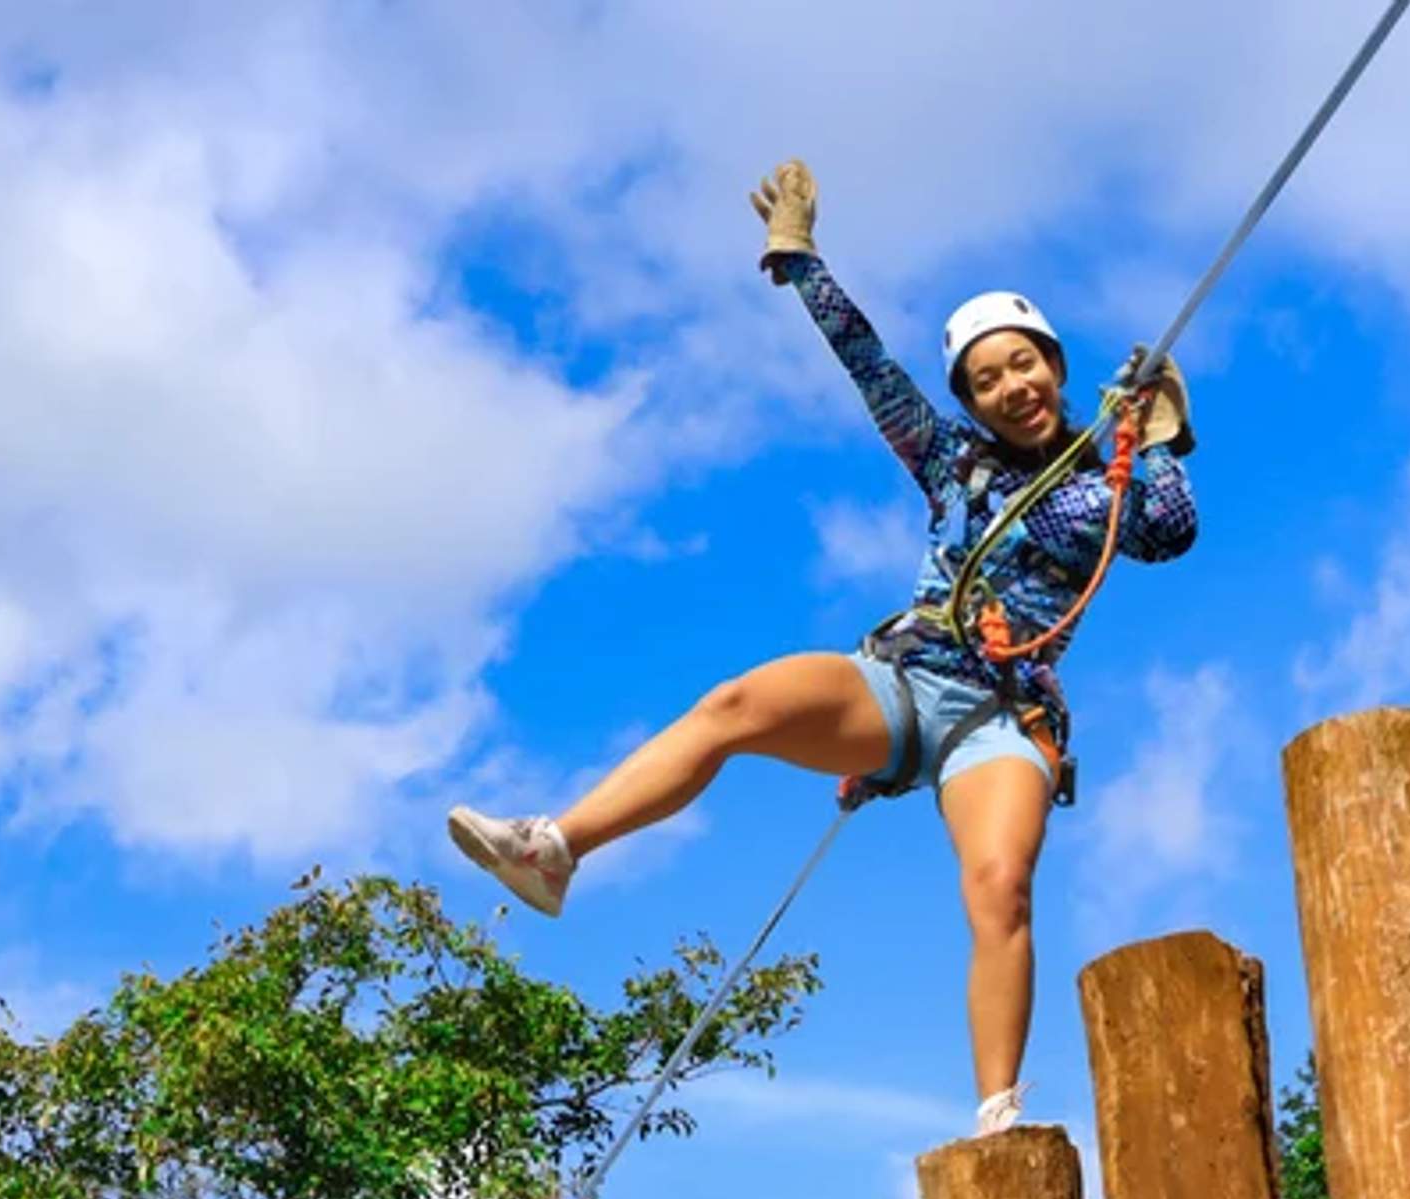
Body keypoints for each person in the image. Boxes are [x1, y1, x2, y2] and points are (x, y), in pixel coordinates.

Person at [448, 157, 1197, 1134]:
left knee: (1000, 883)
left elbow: (1168, 533)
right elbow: (870, 365)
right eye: (987, 379)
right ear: (969, 403)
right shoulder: (950, 464)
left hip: (1002, 716)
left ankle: (998, 1112)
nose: (1012, 386)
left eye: (1024, 363)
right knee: (735, 706)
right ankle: (556, 849)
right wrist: (802, 262)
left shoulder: (1098, 492)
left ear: (1054, 364)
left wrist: (1160, 433)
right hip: (906, 679)